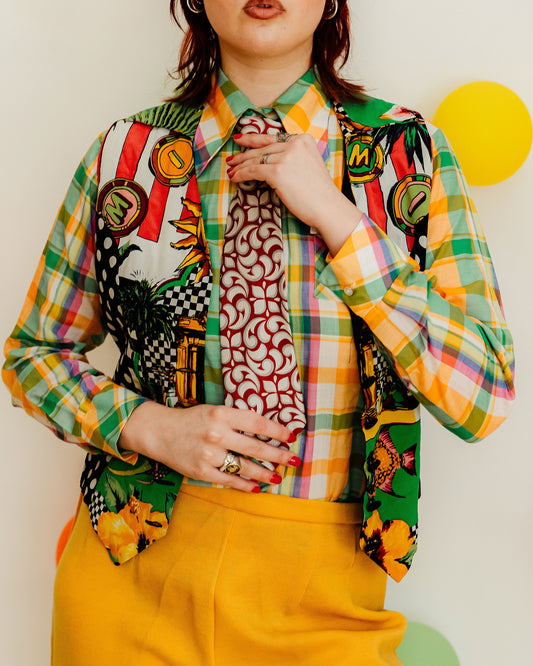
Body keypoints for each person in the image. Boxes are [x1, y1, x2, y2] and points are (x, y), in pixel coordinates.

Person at [2, 1, 515, 664]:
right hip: (133, 575)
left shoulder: (409, 157)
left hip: (325, 595)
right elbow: (33, 354)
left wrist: (338, 218)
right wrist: (148, 426)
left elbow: (483, 395)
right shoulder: (128, 156)